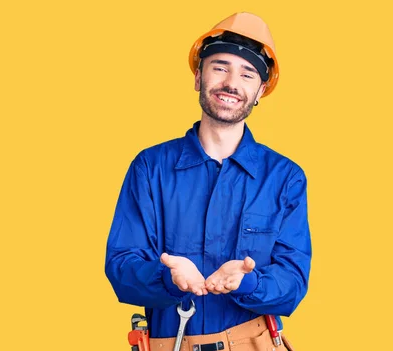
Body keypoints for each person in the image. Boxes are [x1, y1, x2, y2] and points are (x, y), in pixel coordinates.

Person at [104, 12, 311, 351]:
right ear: (198, 77)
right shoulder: (150, 168)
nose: (232, 82)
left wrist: (248, 282)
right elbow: (121, 268)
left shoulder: (285, 178)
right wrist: (167, 279)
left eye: (247, 74)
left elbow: (293, 282)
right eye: (220, 67)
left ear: (260, 91)